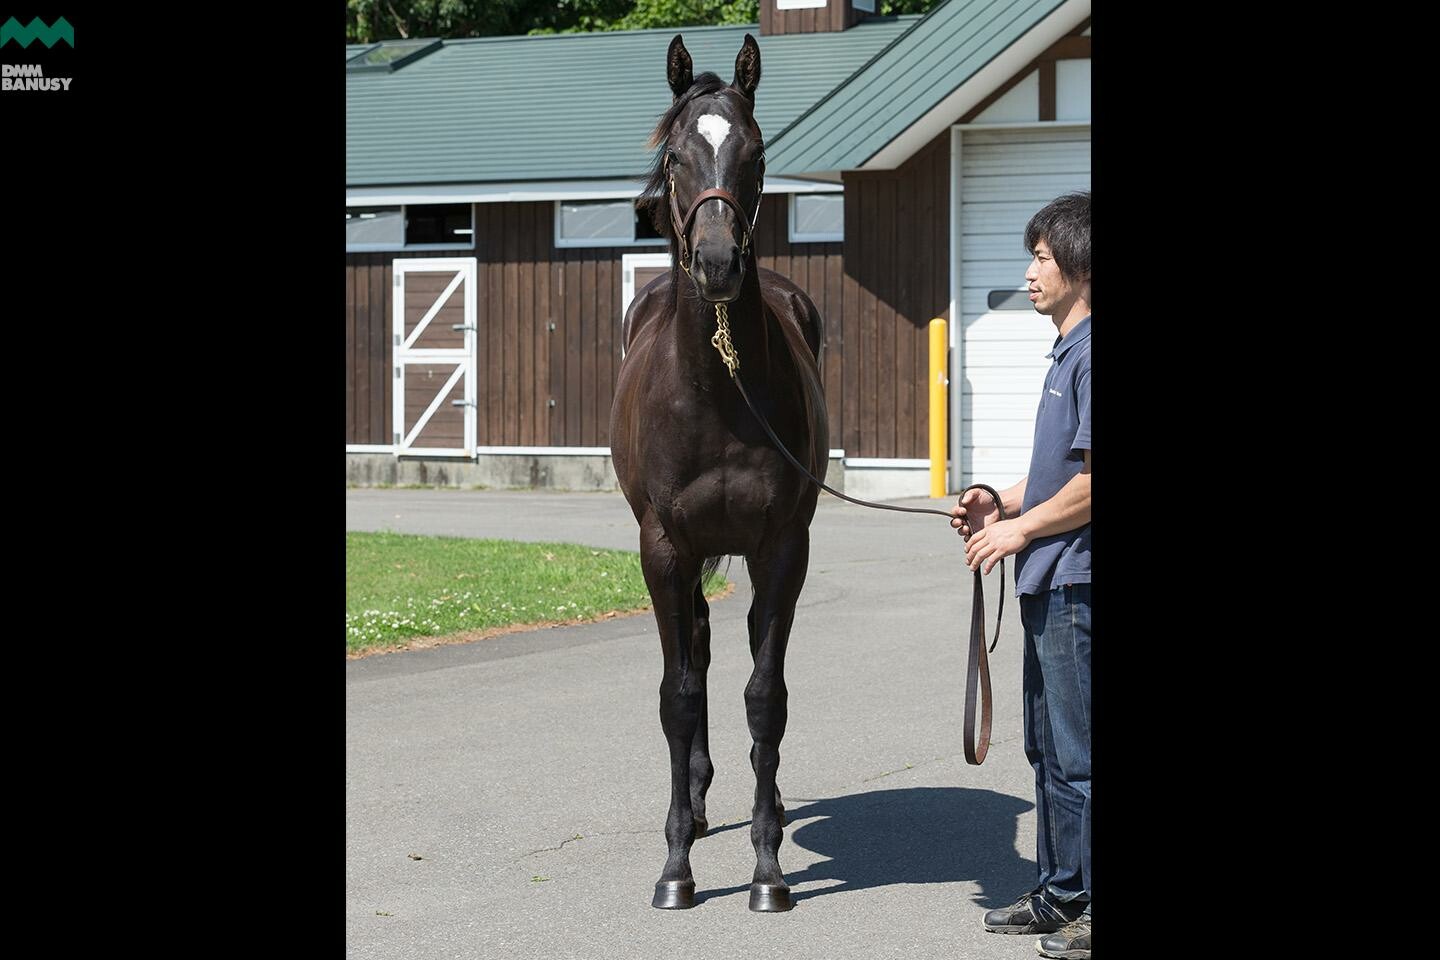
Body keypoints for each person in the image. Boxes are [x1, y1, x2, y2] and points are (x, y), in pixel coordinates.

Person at [951, 191, 1091, 960]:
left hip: (1076, 583)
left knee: (1081, 754)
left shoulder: (1095, 353)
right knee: (1046, 750)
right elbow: (1054, 478)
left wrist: (1017, 530)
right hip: (1049, 578)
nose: (1030, 271)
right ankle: (1062, 893)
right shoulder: (1066, 355)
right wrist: (995, 500)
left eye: (1042, 257)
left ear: (1080, 266)